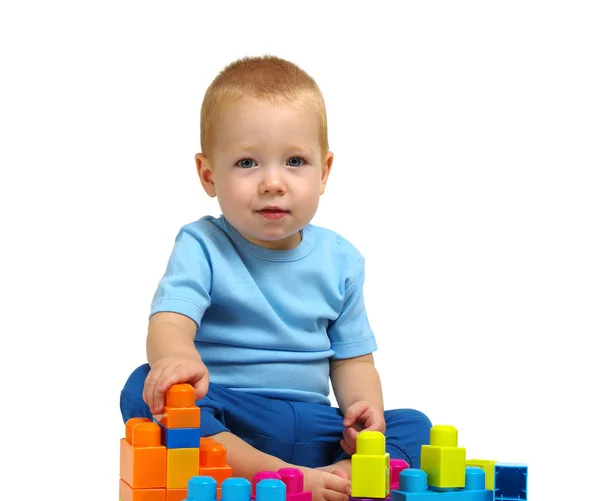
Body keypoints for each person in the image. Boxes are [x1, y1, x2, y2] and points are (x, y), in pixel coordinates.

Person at [120, 54, 431, 501]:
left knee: (413, 425)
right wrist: (175, 360)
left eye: (295, 162)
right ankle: (275, 475)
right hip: (229, 415)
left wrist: (365, 411)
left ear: (323, 172)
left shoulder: (342, 260)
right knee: (143, 387)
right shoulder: (202, 244)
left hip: (312, 423)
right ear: (209, 175)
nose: (272, 182)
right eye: (247, 163)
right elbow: (170, 320)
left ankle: (339, 474)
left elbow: (352, 360)